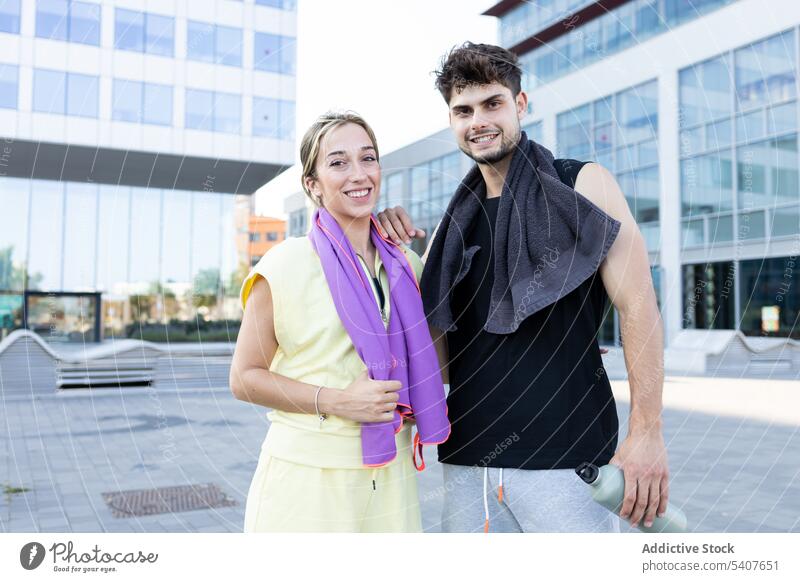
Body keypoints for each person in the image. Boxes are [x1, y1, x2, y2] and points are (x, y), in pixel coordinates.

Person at [376, 42, 669, 533]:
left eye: (493, 103)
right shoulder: (452, 228)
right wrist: (378, 238)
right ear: (451, 121)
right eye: (463, 110)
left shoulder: (582, 183)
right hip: (467, 462)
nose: (479, 121)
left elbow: (640, 306)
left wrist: (647, 432)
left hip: (567, 463)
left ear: (521, 104)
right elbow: (434, 352)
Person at [230, 111, 449, 532]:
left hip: (392, 475)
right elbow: (244, 378)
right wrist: (338, 401)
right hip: (308, 478)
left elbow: (441, 361)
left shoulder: (408, 263)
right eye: (337, 162)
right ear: (312, 185)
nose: (358, 173)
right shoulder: (285, 263)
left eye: (368, 158)